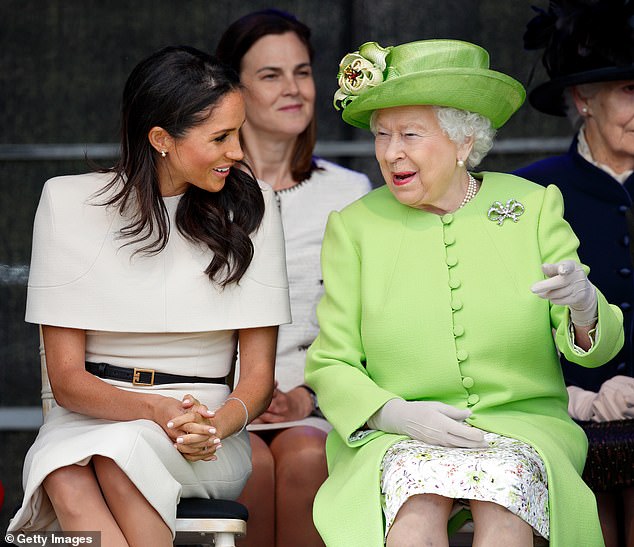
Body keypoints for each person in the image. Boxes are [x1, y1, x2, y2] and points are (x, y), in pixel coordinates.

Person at [304, 38, 625, 547]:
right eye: (382, 135)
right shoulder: (355, 226)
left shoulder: (533, 205)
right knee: (414, 517)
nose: (391, 152)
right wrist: (394, 413)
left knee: (503, 509)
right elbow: (331, 361)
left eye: (410, 134)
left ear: (463, 142)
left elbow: (592, 349)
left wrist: (585, 309)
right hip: (401, 432)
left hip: (520, 426)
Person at [7, 45, 290, 545]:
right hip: (88, 417)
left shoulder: (254, 209)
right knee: (66, 475)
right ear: (161, 138)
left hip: (206, 433)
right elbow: (67, 381)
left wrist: (215, 426)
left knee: (114, 462)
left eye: (237, 134)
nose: (238, 153)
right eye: (220, 137)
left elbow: (259, 379)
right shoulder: (67, 203)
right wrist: (154, 410)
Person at [215, 9, 371, 547]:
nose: (294, 89)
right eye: (270, 75)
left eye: (302, 72)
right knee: (250, 467)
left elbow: (364, 319)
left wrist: (309, 395)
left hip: (319, 399)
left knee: (306, 455)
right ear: (232, 92)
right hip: (220, 401)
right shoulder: (201, 194)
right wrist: (238, 398)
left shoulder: (349, 192)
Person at [514, 2, 634, 545]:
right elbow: (514, 317)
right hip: (565, 412)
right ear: (584, 98)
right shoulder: (530, 194)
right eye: (630, 90)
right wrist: (568, 396)